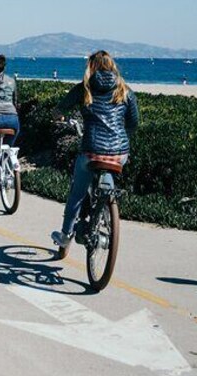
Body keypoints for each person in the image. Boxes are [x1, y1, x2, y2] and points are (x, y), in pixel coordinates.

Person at [50, 50, 140, 250]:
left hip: (91, 150)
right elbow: (134, 123)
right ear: (112, 66)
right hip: (119, 153)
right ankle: (105, 209)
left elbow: (60, 109)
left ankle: (66, 235)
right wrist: (121, 138)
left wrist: (58, 117)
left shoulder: (84, 89)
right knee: (107, 181)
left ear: (91, 67)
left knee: (77, 193)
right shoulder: (125, 90)